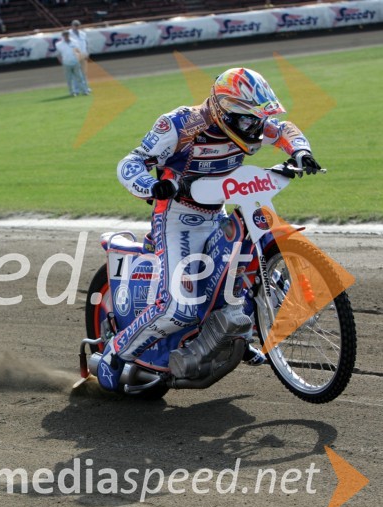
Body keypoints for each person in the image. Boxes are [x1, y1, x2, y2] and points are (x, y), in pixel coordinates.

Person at [98, 68, 321, 388]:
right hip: (175, 218)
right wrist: (152, 186)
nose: (255, 126)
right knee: (179, 309)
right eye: (247, 118)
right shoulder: (179, 124)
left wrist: (300, 151)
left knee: (242, 263)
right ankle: (115, 353)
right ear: (223, 110)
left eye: (257, 117)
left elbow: (283, 128)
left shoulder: (252, 124)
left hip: (217, 212)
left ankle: (235, 334)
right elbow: (131, 163)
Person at [55, 30, 89, 97]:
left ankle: (84, 91)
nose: (66, 36)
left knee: (79, 77)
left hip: (75, 62)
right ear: (63, 36)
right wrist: (62, 62)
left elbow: (78, 51)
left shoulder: (75, 42)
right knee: (69, 79)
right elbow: (58, 54)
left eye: (67, 35)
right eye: (65, 35)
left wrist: (79, 59)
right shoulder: (59, 44)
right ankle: (72, 92)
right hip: (66, 63)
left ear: (69, 35)